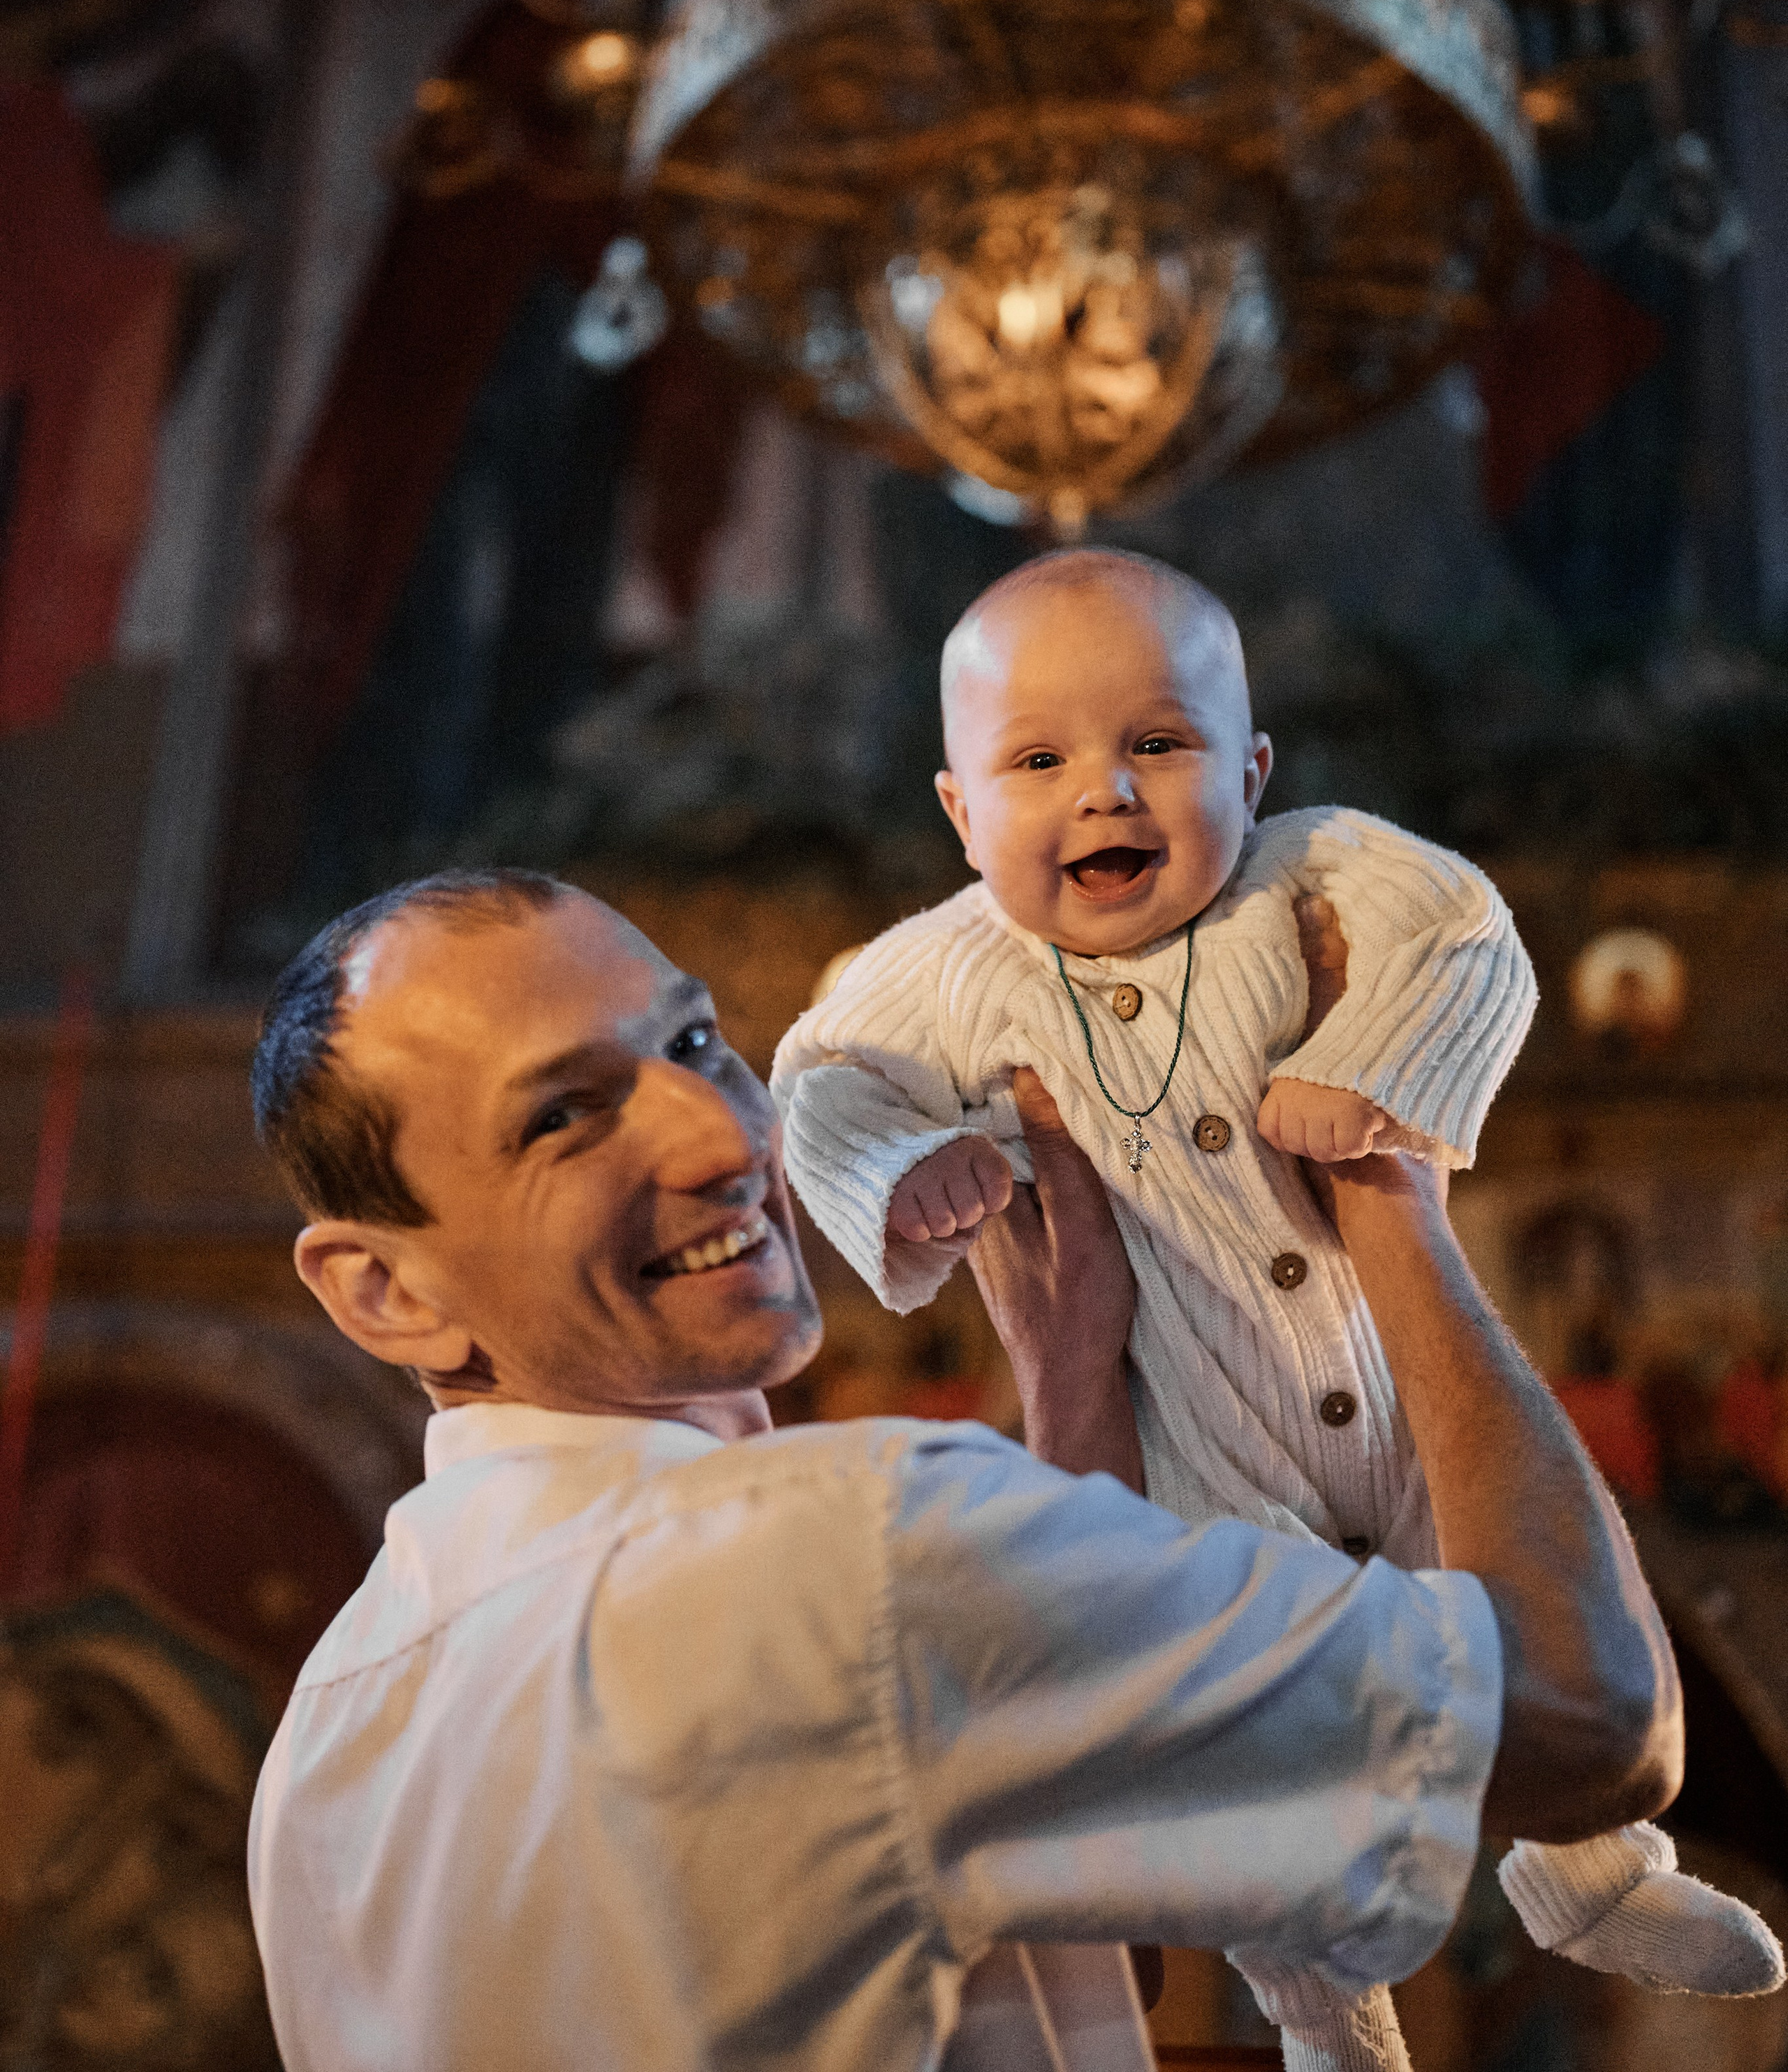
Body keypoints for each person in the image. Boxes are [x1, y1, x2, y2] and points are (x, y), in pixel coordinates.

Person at [246, 865, 1680, 2072]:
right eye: (562, 1117)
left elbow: (1067, 1959)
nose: (725, 1138)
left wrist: (1072, 1394)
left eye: (691, 1047)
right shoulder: (848, 1546)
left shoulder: (327, 1727)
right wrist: (1382, 1169)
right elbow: (1584, 1715)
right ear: (383, 1294)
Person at [773, 549, 1782, 2071]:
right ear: (958, 813)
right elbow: (816, 1080)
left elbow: (1464, 939)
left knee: (1506, 1595)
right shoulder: (941, 974)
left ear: (1251, 769)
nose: (1105, 793)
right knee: (1232, 1732)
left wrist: (1369, 1068)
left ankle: (1592, 1880)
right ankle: (1326, 2026)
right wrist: (898, 1169)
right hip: (1191, 1427)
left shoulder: (1312, 872)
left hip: (1390, 1384)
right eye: (1037, 762)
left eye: (1157, 746)